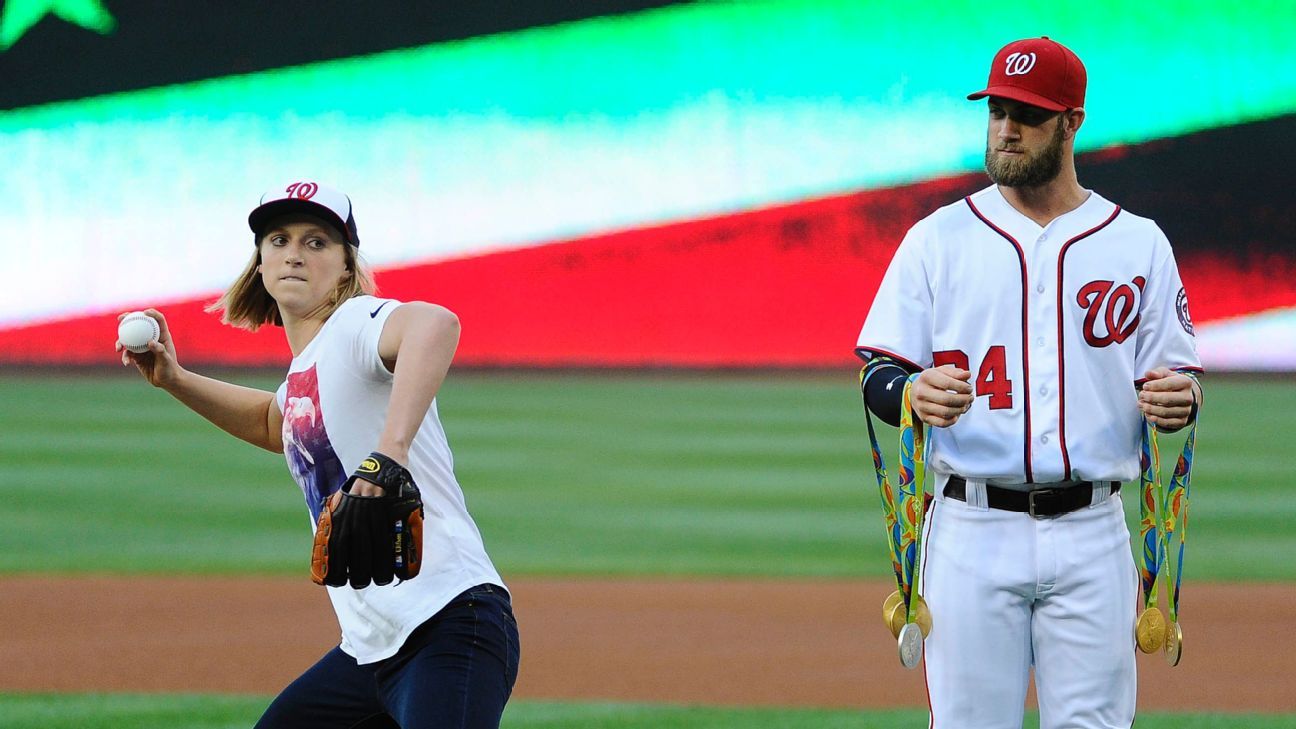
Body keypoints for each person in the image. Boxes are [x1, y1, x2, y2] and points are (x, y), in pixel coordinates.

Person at [855, 38, 1202, 728]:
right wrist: (910, 393)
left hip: (1093, 530)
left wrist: (1178, 400)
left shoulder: (1138, 243)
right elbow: (878, 373)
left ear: (1072, 121)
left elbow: (1177, 380)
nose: (1006, 128)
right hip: (970, 526)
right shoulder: (937, 239)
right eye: (998, 110)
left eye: (1028, 114)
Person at [118, 181, 519, 729]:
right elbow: (272, 422)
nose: (294, 253)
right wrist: (174, 379)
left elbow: (435, 323)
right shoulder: (305, 370)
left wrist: (389, 453)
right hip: (367, 651)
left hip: (448, 625)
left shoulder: (356, 326)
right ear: (259, 264)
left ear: (347, 267)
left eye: (317, 242)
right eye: (279, 239)